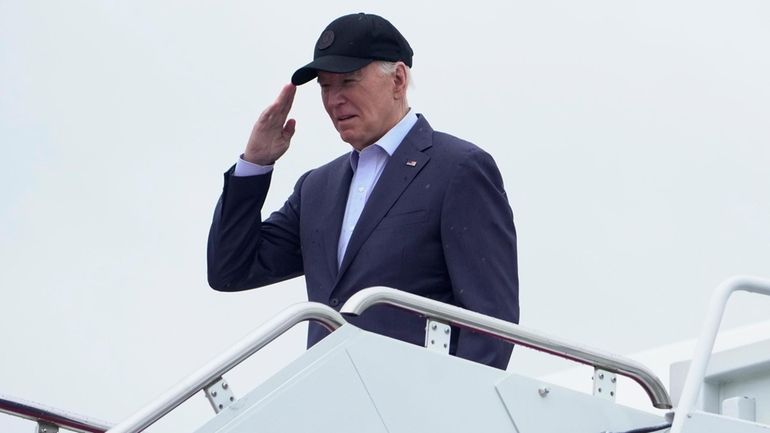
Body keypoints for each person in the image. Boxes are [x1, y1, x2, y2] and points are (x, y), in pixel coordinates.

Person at [207, 13, 519, 369]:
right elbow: (230, 270)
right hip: (331, 406)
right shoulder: (316, 189)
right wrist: (255, 164)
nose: (334, 99)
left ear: (398, 80)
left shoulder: (458, 168)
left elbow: (491, 324)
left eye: (349, 81)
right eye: (325, 87)